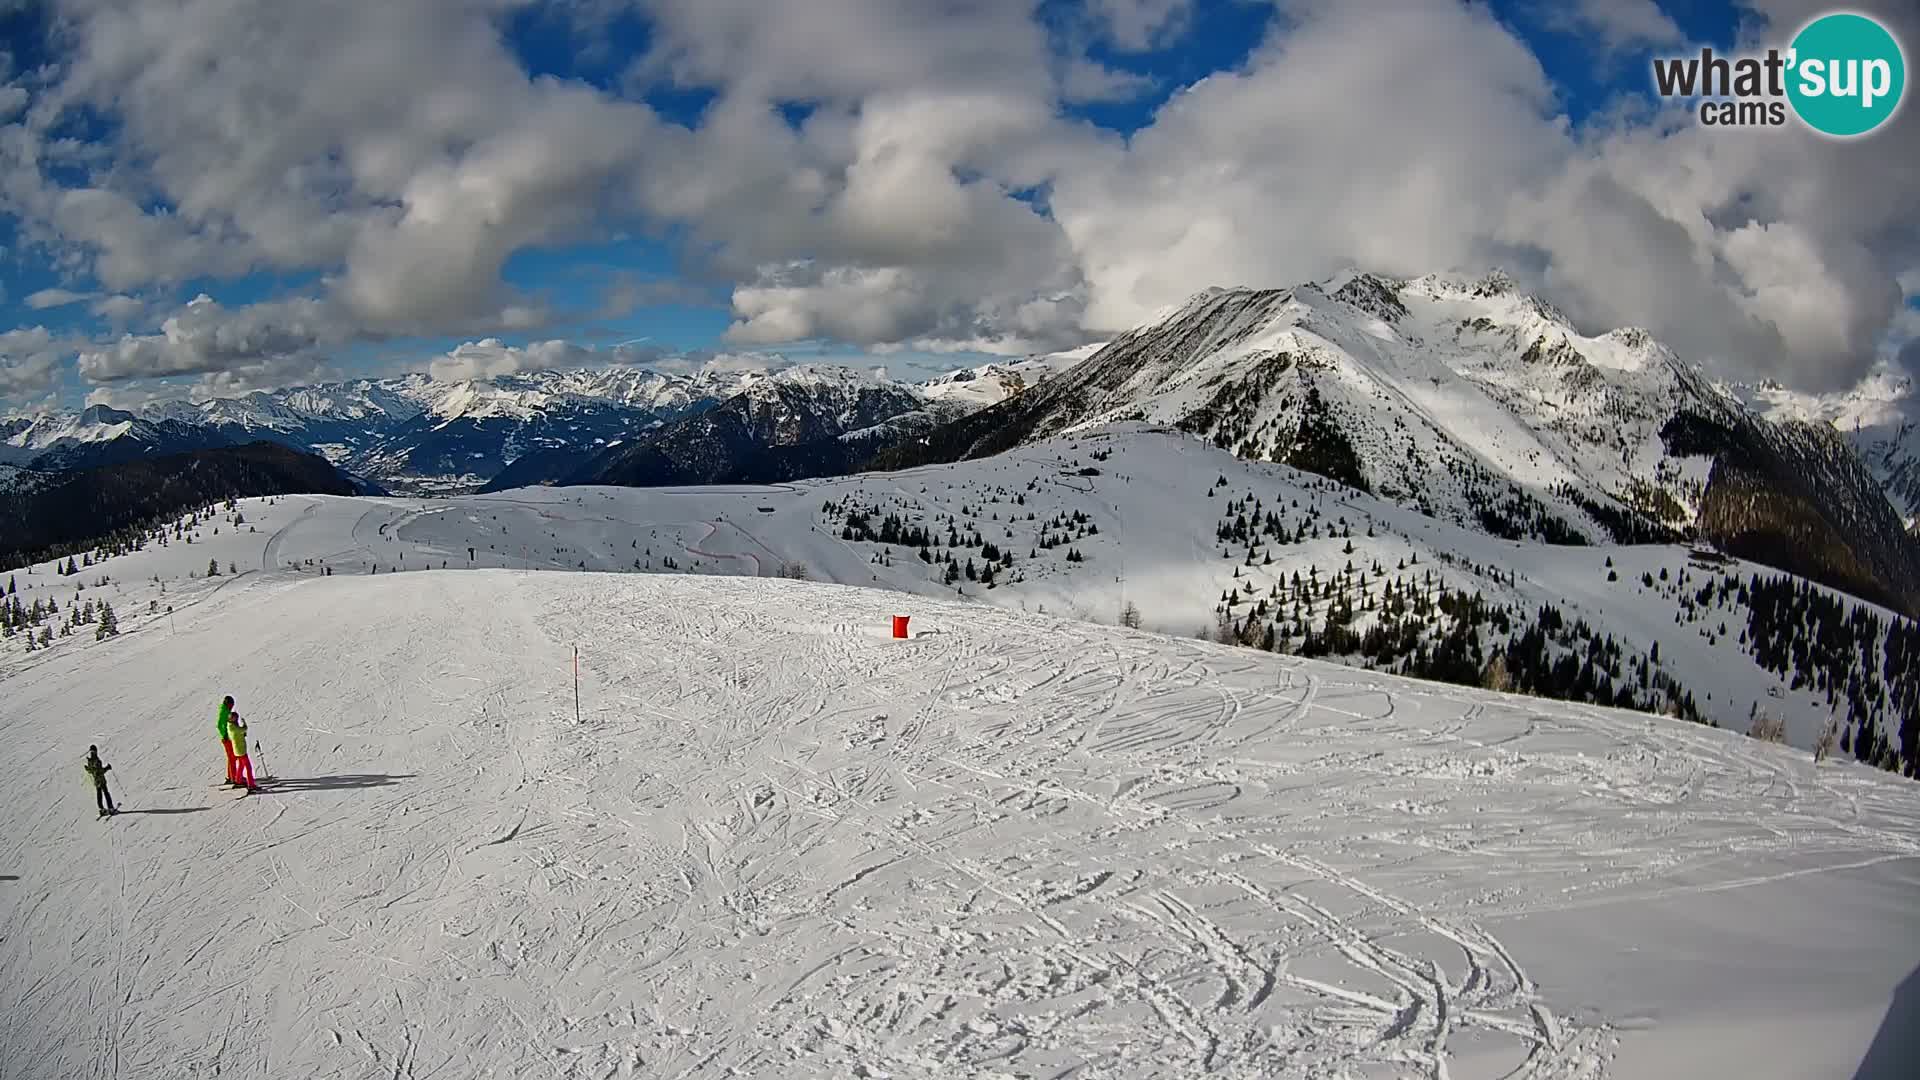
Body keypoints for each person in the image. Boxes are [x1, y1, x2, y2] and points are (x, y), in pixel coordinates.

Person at [84, 745, 116, 817]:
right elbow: (100, 771)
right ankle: (110, 808)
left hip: (96, 781)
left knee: (99, 794)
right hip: (101, 780)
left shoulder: (90, 761)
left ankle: (101, 809)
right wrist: (107, 768)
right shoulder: (97, 761)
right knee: (106, 793)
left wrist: (87, 768)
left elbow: (91, 771)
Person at [229, 711, 257, 792]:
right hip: (240, 750)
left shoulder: (230, 726)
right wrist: (244, 724)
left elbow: (240, 732)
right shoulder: (234, 728)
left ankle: (238, 780)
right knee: (248, 767)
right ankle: (251, 784)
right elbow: (244, 729)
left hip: (237, 750)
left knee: (241, 765)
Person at [217, 695, 240, 787]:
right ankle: (233, 777)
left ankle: (232, 775)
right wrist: (224, 735)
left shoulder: (226, 710)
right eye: (231, 705)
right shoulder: (223, 711)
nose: (232, 707)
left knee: (232, 757)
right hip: (226, 738)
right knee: (232, 757)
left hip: (229, 737)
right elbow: (219, 724)